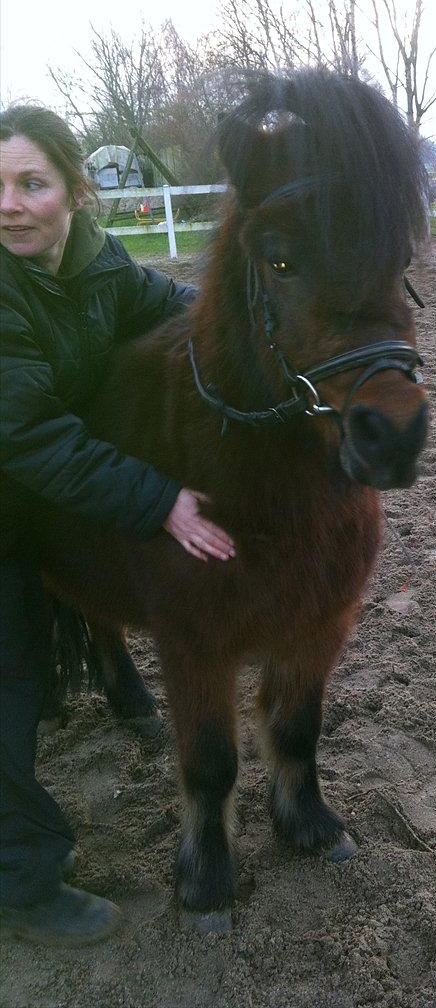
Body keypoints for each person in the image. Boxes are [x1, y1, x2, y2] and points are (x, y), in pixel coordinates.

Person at [0, 104, 236, 946]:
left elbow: (174, 310)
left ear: (74, 190)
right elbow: (28, 433)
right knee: (9, 690)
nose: (9, 204)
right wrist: (160, 500)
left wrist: (253, 319)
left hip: (32, 500)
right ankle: (21, 885)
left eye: (31, 183)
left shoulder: (101, 264)